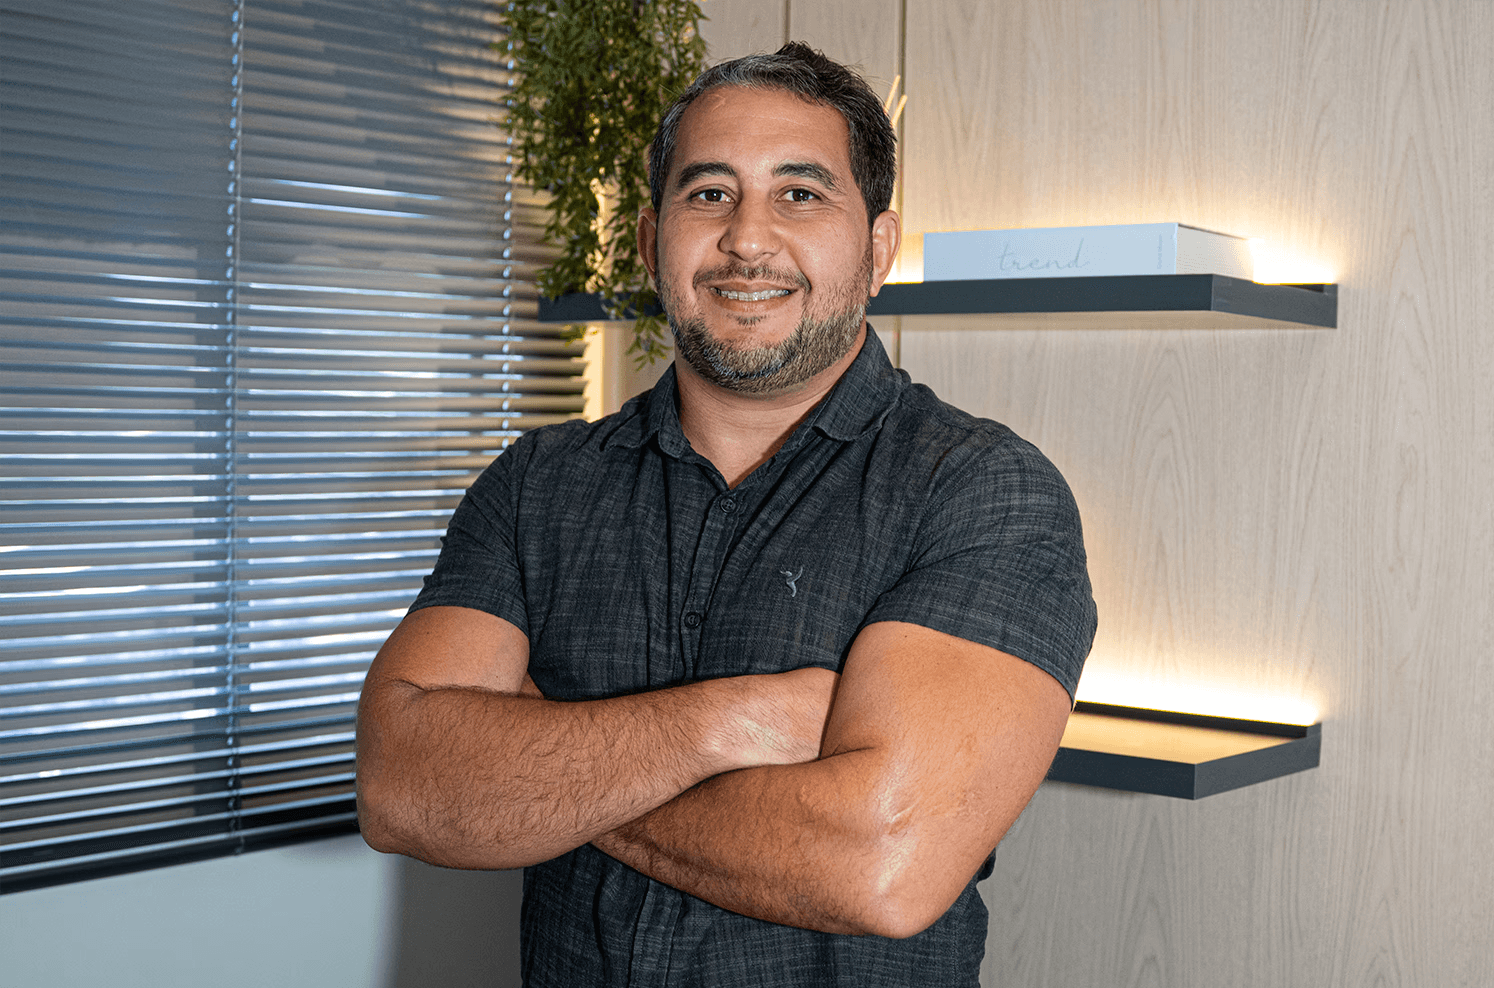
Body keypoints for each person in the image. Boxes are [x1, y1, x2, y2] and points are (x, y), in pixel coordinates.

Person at [356, 42, 1097, 987]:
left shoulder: (984, 491)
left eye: (800, 194)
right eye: (709, 193)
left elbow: (881, 866)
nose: (748, 239)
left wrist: (549, 766)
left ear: (877, 249)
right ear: (648, 241)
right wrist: (732, 723)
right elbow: (401, 787)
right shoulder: (537, 483)